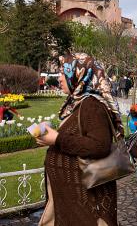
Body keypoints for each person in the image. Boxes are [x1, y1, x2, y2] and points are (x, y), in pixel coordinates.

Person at [37, 53, 121, 226]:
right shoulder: (78, 103)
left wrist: (57, 139)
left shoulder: (92, 105)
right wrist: (51, 136)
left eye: (63, 73)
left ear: (79, 74)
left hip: (88, 203)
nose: (60, 79)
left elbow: (100, 146)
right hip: (72, 200)